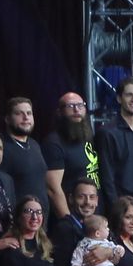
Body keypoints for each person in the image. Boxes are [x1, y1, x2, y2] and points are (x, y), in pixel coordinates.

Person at [42, 92, 98, 220]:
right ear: (59, 112)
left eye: (80, 105)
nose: (76, 110)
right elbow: (53, 189)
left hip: (93, 215)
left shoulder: (88, 136)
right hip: (72, 216)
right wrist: (69, 223)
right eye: (70, 106)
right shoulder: (54, 143)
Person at [0, 97, 53, 224]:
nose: (26, 118)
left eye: (29, 113)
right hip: (18, 222)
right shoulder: (2, 148)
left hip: (40, 220)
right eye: (19, 113)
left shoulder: (34, 144)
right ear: (7, 119)